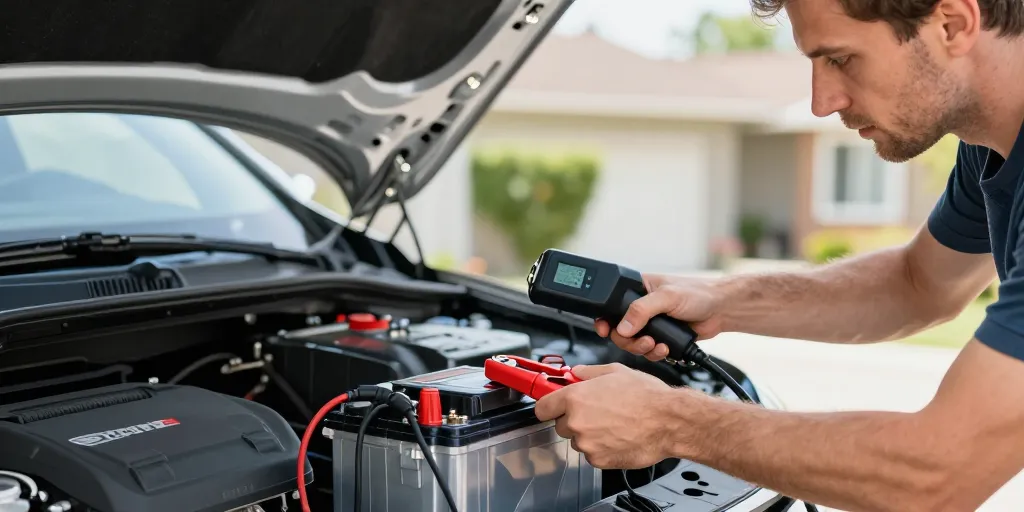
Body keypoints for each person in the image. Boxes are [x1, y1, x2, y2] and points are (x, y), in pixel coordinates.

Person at [533, 0, 1024, 510]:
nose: (821, 102)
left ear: (952, 24)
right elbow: (917, 284)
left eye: (840, 59)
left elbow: (937, 471)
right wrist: (722, 300)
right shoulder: (989, 146)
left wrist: (670, 421)